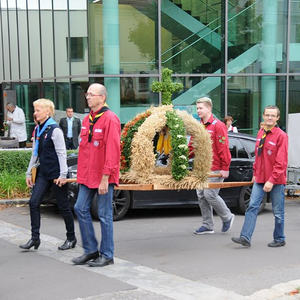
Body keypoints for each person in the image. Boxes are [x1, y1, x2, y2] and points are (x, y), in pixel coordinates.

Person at [72, 83, 121, 267]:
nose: (88, 97)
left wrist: (105, 178)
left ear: (102, 97)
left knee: (104, 215)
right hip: (87, 176)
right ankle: (91, 250)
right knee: (80, 208)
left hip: (103, 177)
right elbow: (85, 151)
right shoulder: (87, 120)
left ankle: (107, 255)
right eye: (87, 94)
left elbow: (113, 152)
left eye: (91, 94)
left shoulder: (110, 119)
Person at [19, 98, 76, 251]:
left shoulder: (55, 129)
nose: (35, 113)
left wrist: (63, 175)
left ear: (47, 112)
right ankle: (35, 238)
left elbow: (61, 153)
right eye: (35, 109)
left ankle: (71, 238)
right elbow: (34, 154)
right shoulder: (39, 129)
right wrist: (28, 173)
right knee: (33, 203)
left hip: (57, 174)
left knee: (63, 207)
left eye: (38, 110)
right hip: (43, 173)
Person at [231, 105, 288, 248]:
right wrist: (255, 174)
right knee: (252, 207)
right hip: (260, 179)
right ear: (263, 116)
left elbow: (281, 163)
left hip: (276, 181)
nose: (269, 117)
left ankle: (280, 238)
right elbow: (258, 156)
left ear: (277, 118)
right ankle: (245, 237)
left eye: (273, 115)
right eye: (267, 115)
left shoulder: (281, 136)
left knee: (278, 212)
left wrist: (271, 180)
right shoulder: (261, 133)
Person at [191, 97, 234, 235]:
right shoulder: (198, 126)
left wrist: (225, 167)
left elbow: (223, 148)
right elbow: (192, 145)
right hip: (201, 168)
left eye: (200, 108)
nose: (198, 111)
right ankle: (208, 225)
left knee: (210, 194)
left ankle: (227, 217)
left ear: (209, 108)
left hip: (215, 167)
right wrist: (182, 155)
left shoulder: (218, 125)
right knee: (201, 196)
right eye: (197, 108)